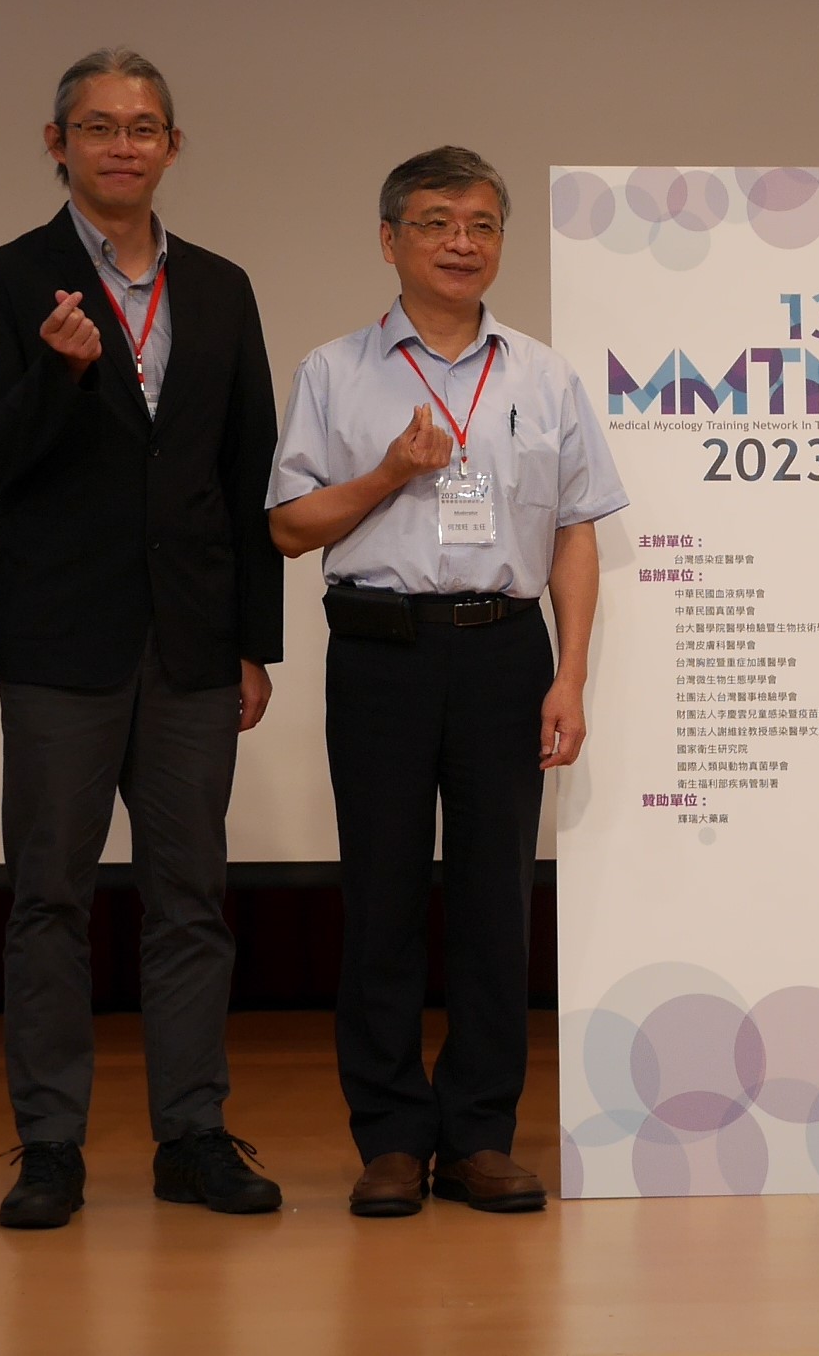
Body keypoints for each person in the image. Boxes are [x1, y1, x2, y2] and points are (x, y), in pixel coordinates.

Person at [0, 48, 285, 1229]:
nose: (122, 145)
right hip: (61, 640)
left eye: (143, 126)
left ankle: (191, 1133)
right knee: (50, 896)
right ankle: (50, 1144)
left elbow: (246, 468)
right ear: (58, 144)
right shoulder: (4, 279)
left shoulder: (221, 285)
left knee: (191, 897)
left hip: (193, 640)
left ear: (172, 147)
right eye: (97, 126)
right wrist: (58, 372)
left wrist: (253, 640)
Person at [269, 146, 624, 1217]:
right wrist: (389, 473)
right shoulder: (335, 370)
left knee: (492, 903)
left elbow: (574, 530)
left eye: (480, 225)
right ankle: (388, 1135)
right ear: (390, 240)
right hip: (380, 651)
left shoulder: (544, 374)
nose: (460, 243)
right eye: (435, 223)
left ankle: (478, 1133)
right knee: (381, 896)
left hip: (502, 651)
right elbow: (288, 526)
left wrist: (569, 674)